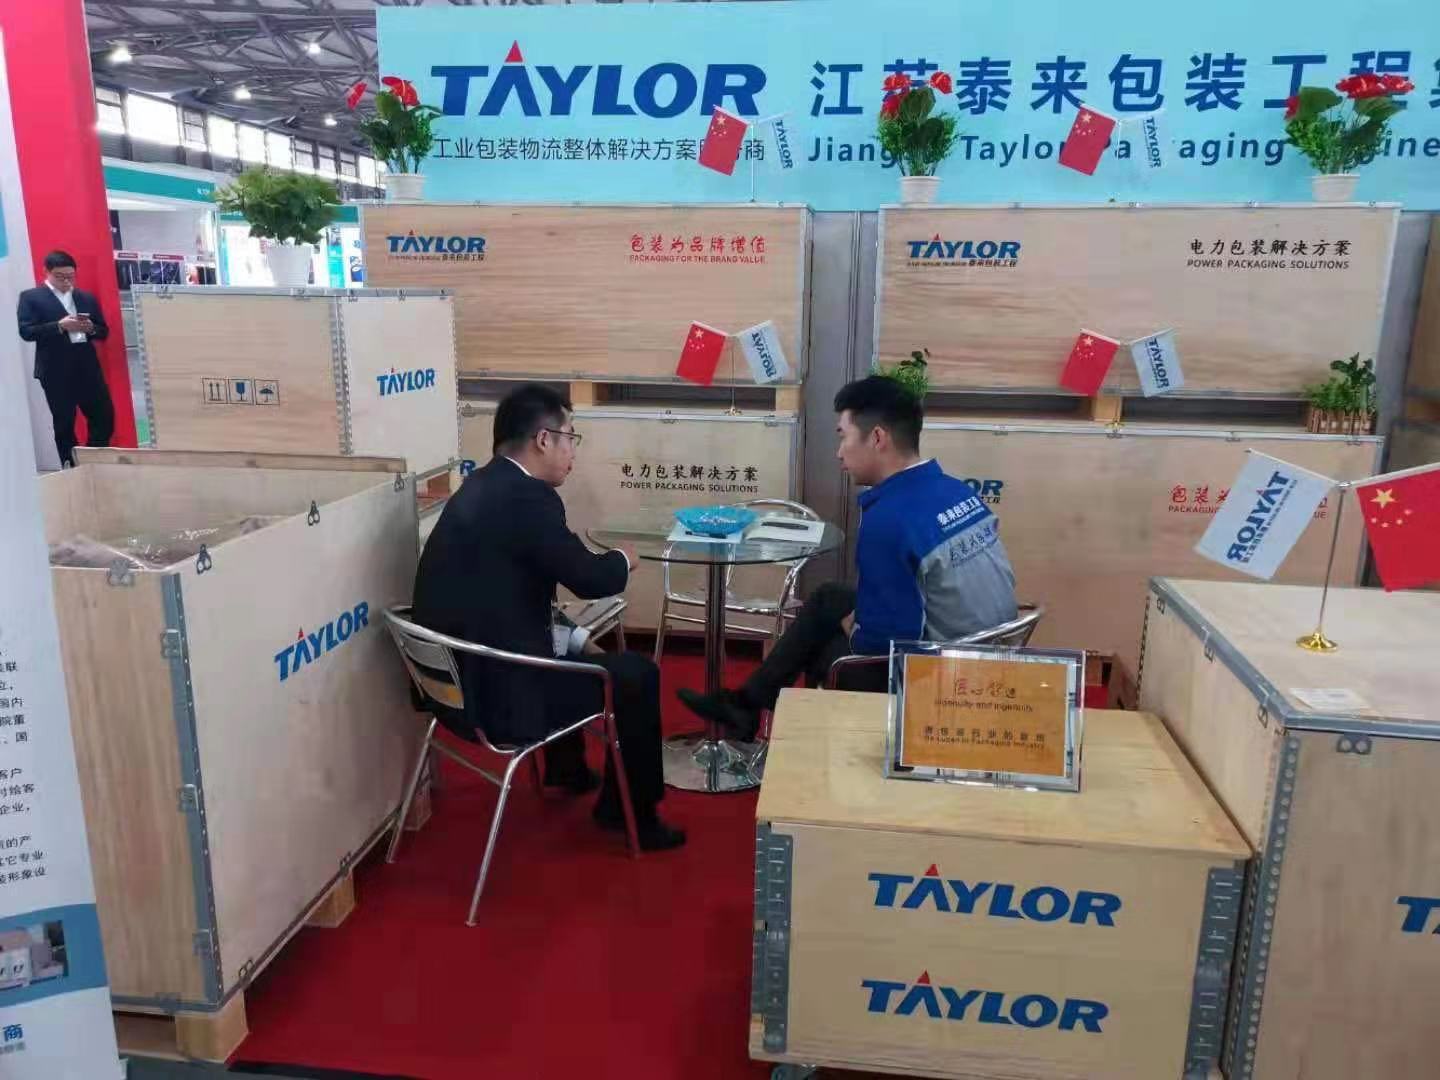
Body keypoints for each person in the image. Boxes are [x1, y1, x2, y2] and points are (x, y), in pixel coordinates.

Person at [412, 384, 684, 851]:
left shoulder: (480, 486)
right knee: (637, 675)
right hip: (501, 702)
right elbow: (590, 578)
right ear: (543, 440)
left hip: (453, 689)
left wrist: (575, 639)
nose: (572, 450)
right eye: (570, 437)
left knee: (569, 648)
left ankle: (566, 769)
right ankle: (629, 815)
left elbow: (512, 598)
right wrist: (624, 559)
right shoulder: (529, 499)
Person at [679, 374, 1018, 736]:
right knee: (829, 598)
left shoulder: (890, 519)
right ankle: (747, 704)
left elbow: (884, 641)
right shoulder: (955, 491)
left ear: (877, 438)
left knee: (825, 649)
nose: (839, 452)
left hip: (941, 676)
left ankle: (818, 743)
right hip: (993, 654)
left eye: (843, 436)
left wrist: (854, 625)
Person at [16, 250, 115, 467]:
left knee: (104, 417)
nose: (67, 281)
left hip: (87, 368)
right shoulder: (31, 297)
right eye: (60, 276)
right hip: (55, 371)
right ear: (47, 272)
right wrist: (60, 326)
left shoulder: (85, 298)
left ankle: (94, 462)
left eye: (71, 276)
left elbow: (103, 331)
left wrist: (91, 328)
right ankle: (71, 467)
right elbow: (26, 331)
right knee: (64, 423)